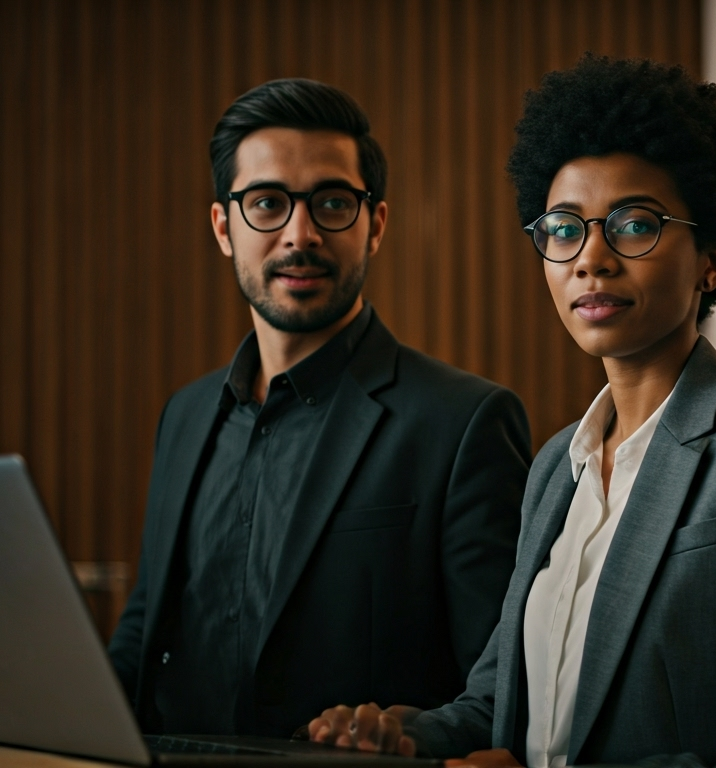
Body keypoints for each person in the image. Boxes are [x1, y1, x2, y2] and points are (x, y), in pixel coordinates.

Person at [307, 55, 716, 767]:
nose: (591, 259)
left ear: (711, 258)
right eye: (563, 228)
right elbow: (503, 706)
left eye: (633, 224)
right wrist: (403, 736)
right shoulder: (557, 464)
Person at [106, 78, 532, 738]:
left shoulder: (462, 423)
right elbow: (150, 623)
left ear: (376, 224)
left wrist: (409, 734)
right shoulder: (185, 416)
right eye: (267, 203)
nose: (299, 235)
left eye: (333, 202)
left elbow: (507, 684)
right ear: (224, 227)